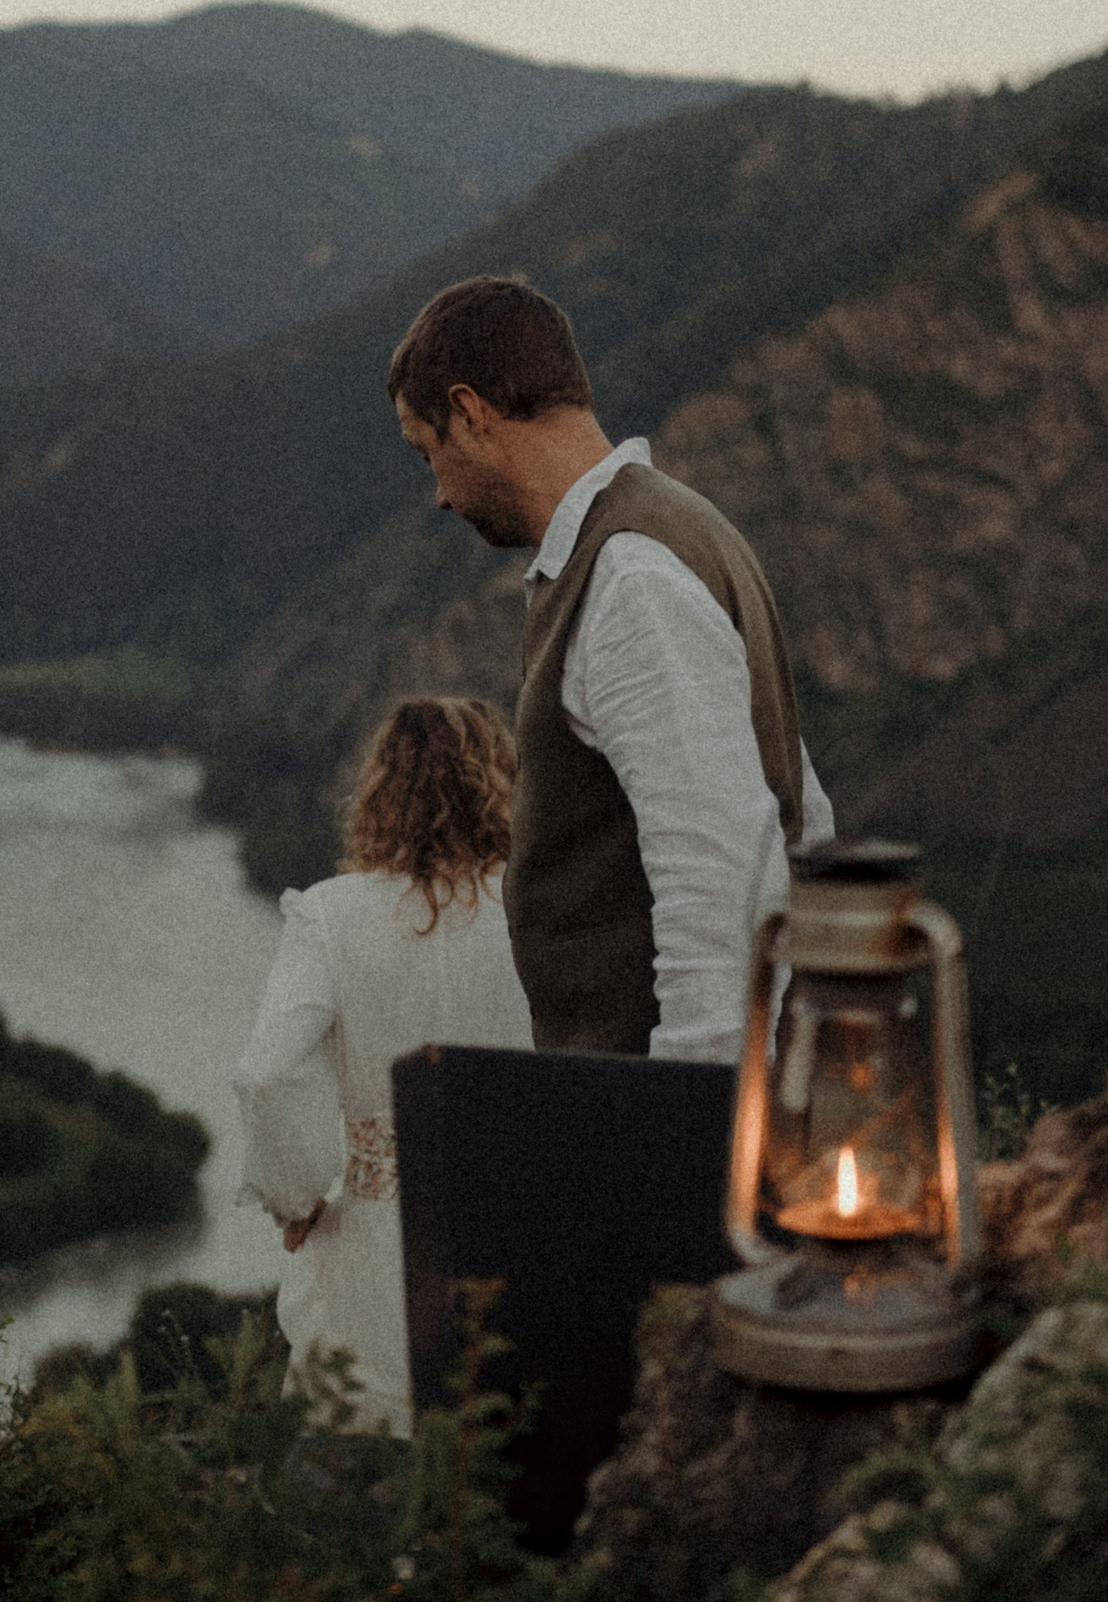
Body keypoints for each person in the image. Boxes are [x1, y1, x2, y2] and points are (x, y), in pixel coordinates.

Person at [388, 276, 834, 1064]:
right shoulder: (677, 528)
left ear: (470, 412)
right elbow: (800, 808)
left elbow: (722, 874)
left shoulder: (630, 577)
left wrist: (689, 1116)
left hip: (662, 1113)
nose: (439, 496)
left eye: (430, 454)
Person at [234, 697, 534, 1437]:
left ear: (379, 791)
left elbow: (267, 1074)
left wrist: (296, 1195)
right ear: (498, 783)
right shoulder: (537, 910)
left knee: (358, 1467)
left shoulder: (332, 917)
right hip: (519, 1227)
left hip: (377, 1249)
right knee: (498, 1449)